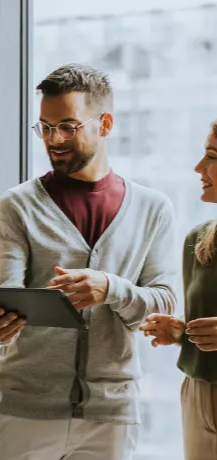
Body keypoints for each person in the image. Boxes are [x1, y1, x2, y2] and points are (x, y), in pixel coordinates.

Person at [0, 63, 177, 459]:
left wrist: (110, 289)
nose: (54, 139)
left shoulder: (153, 209)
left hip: (112, 414)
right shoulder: (17, 206)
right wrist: (0, 326)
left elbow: (165, 302)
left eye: (68, 125)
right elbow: (8, 297)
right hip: (27, 411)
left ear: (104, 123)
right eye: (45, 127)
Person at [140, 121, 217, 460]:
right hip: (198, 390)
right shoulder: (198, 240)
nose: (198, 167)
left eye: (212, 156)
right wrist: (180, 331)